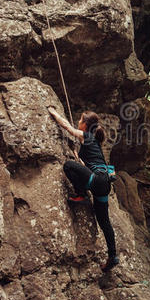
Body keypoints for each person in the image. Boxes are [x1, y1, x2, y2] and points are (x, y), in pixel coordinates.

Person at [47, 107, 119, 272]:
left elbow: (67, 128)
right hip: (104, 184)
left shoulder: (86, 136)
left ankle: (81, 195)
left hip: (97, 181)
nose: (78, 123)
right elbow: (89, 164)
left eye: (80, 121)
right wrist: (78, 156)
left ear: (85, 125)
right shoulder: (95, 143)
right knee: (104, 221)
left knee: (68, 165)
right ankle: (112, 256)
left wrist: (54, 113)